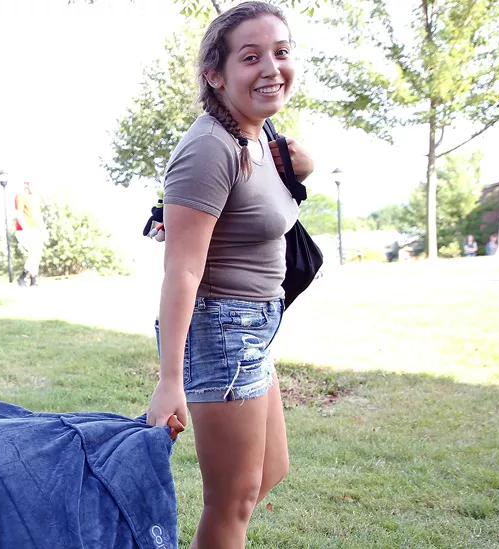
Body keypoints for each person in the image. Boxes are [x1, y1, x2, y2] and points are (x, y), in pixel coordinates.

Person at [145, 3, 311, 547]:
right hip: (222, 329)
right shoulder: (208, 148)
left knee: (268, 475)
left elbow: (279, 186)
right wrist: (171, 379)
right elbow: (183, 269)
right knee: (231, 502)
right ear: (215, 75)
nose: (271, 67)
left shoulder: (259, 138)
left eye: (281, 52)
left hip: (255, 326)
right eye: (251, 57)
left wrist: (298, 163)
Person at [14, 180, 45, 286]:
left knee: (37, 253)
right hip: (25, 229)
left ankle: (33, 280)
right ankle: (22, 277)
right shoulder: (21, 196)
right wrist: (25, 228)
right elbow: (19, 213)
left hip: (36, 229)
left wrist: (43, 229)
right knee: (34, 252)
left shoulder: (35, 199)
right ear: (27, 184)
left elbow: (38, 215)